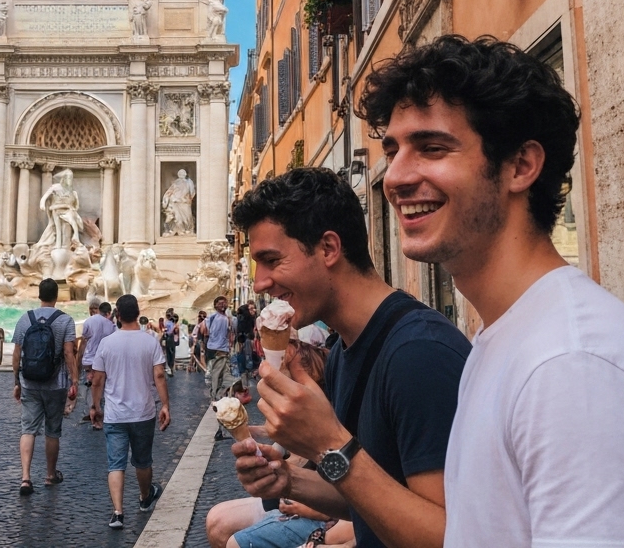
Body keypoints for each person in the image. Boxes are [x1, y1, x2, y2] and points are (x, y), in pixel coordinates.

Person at [358, 34, 624, 546]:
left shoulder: (570, 366)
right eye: (393, 150)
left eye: (431, 148)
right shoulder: (508, 336)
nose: (397, 176)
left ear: (520, 166)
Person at [229, 167, 471, 548]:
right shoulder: (343, 351)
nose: (260, 282)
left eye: (272, 260)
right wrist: (288, 480)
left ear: (328, 249)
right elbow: (369, 497)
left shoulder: (419, 355)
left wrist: (327, 442)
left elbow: (451, 536)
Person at [207, 342, 334, 548]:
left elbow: (345, 506)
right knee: (216, 519)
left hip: (319, 517)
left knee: (233, 540)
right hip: (294, 502)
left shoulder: (322, 422)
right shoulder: (293, 419)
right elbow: (277, 450)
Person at [91, 293, 170, 530]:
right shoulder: (150, 341)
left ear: (117, 315)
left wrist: (95, 407)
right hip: (143, 412)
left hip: (115, 414)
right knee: (142, 461)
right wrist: (165, 404)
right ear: (138, 313)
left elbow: (97, 380)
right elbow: (159, 376)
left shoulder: (107, 343)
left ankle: (117, 513)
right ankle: (145, 497)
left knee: (116, 464)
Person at [12, 278, 78, 496]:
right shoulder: (65, 321)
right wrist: (74, 381)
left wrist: (16, 381)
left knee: (27, 429)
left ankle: (25, 478)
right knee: (52, 430)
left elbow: (16, 354)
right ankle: (50, 475)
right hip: (55, 384)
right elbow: (69, 353)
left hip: (29, 382)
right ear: (56, 296)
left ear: (39, 295)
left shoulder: (25, 319)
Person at [79, 299, 116, 430]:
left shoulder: (89, 322)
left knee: (90, 387)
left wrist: (79, 358)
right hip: (103, 360)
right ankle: (102, 413)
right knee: (104, 386)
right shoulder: (111, 325)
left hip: (89, 360)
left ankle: (93, 411)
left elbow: (84, 342)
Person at [201, 295, 233, 427]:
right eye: (220, 303)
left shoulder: (223, 318)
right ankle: (216, 397)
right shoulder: (215, 318)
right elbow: (204, 331)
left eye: (224, 303)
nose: (223, 305)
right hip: (217, 349)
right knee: (217, 375)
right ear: (215, 305)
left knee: (219, 375)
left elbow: (204, 331)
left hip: (220, 349)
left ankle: (217, 396)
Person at [162, 312, 178, 377]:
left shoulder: (166, 323)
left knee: (169, 354)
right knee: (171, 354)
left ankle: (170, 369)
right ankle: (170, 369)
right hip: (170, 340)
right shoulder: (172, 324)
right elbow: (170, 332)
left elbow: (165, 331)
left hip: (168, 340)